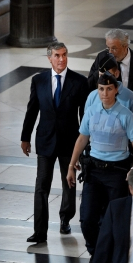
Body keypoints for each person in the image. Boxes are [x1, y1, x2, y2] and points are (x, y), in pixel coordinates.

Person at [67, 72, 133, 263]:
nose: (105, 93)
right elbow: (82, 138)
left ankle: (113, 259)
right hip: (94, 171)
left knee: (116, 220)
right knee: (87, 219)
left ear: (116, 90)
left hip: (117, 173)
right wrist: (71, 165)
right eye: (101, 89)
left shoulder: (125, 114)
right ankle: (96, 255)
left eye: (109, 89)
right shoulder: (91, 111)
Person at [20, 42, 89, 244]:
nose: (62, 59)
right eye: (57, 56)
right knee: (41, 185)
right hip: (45, 140)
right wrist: (25, 137)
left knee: (69, 183)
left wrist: (85, 144)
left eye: (64, 55)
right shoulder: (39, 80)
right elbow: (32, 110)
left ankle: (65, 218)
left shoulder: (79, 82)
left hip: (70, 141)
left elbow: (84, 116)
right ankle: (39, 231)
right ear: (49, 58)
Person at [87, 29, 133, 148]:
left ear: (125, 46)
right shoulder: (102, 58)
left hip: (132, 121)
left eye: (114, 48)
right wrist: (98, 75)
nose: (110, 52)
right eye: (108, 48)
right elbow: (88, 85)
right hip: (106, 122)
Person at [85, 52, 133, 141]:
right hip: (95, 150)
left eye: (108, 75)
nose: (104, 80)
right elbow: (85, 128)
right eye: (101, 76)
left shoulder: (130, 97)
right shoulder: (92, 96)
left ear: (116, 74)